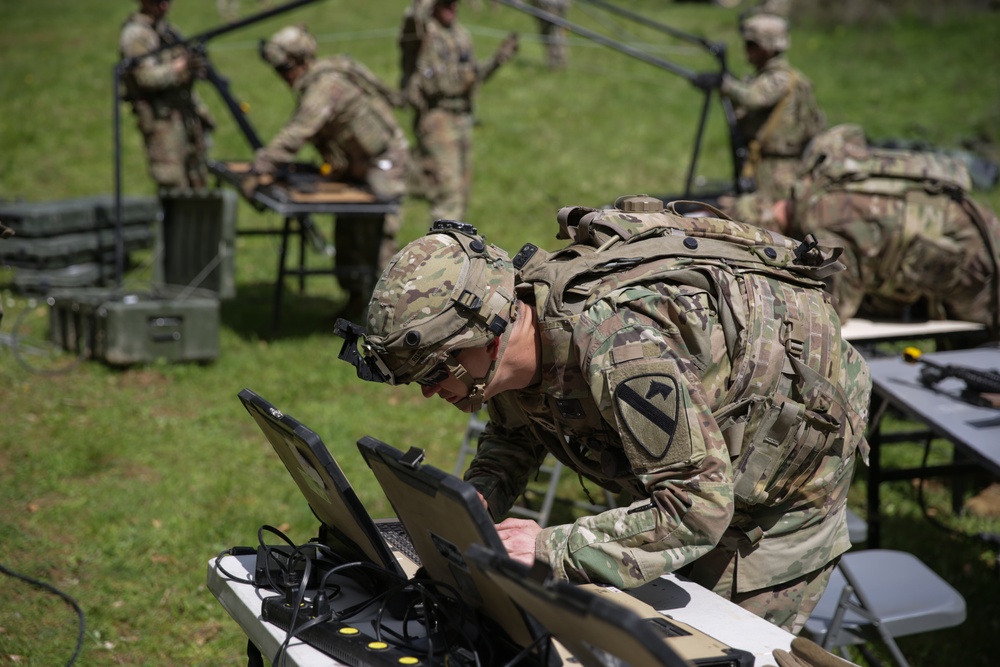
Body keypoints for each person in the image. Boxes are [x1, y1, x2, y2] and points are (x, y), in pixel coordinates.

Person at [334, 196, 871, 633]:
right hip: (695, 472)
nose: (430, 393)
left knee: (708, 645)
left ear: (483, 337)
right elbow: (516, 434)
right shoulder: (513, 340)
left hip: (776, 494)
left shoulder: (620, 352)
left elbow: (698, 507)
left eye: (433, 374)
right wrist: (477, 499)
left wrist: (549, 547)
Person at [767, 124, 1000, 336]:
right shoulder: (827, 187)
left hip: (979, 269)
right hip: (976, 236)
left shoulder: (819, 219)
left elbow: (832, 308)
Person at [245, 24, 411, 317]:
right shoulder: (317, 83)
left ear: (301, 62)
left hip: (384, 162)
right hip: (355, 163)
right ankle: (356, 299)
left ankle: (389, 315)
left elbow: (298, 132)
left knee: (379, 234)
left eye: (284, 68)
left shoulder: (325, 85)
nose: (283, 76)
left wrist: (260, 167)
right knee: (347, 228)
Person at [400, 0, 519, 223]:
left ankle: (457, 251)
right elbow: (414, 16)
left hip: (462, 119)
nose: (452, 7)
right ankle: (440, 252)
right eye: (446, 3)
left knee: (462, 195)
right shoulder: (421, 32)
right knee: (447, 195)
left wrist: (498, 60)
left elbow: (472, 77)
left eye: (455, 3)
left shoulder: (460, 34)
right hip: (437, 119)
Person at [695, 13, 823, 207]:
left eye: (752, 45)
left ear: (768, 48)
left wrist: (725, 84)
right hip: (761, 164)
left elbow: (753, 98)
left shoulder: (781, 79)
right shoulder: (762, 79)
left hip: (780, 170)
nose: (746, 50)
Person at [119, 0, 215, 191]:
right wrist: (178, 68)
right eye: (157, 2)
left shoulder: (168, 31)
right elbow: (145, 77)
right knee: (173, 183)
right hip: (161, 120)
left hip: (186, 114)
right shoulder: (136, 35)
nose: (164, 6)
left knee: (198, 177)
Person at [529, 0, 570, 70]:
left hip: (552, 6)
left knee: (555, 34)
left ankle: (558, 63)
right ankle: (556, 63)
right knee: (551, 34)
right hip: (548, 6)